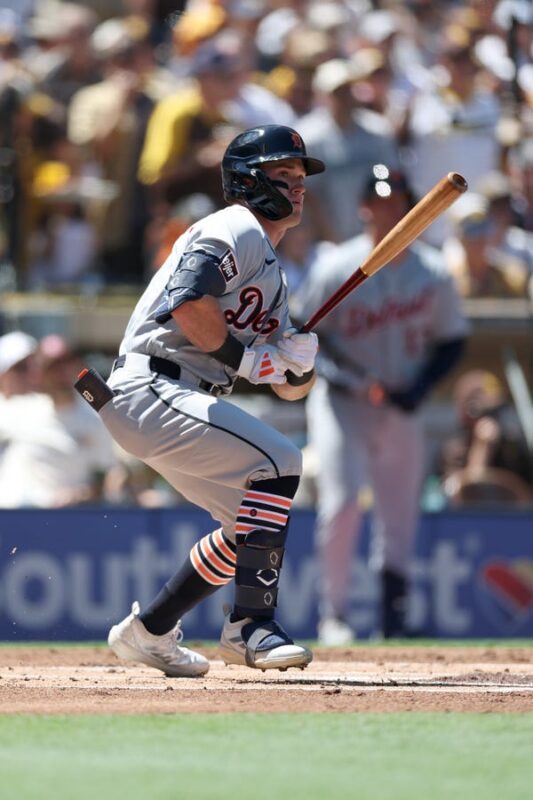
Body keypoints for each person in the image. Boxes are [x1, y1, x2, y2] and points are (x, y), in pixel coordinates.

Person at [77, 125, 322, 677]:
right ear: (249, 181)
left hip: (171, 398)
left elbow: (287, 385)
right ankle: (251, 625)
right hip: (152, 386)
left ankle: (149, 630)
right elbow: (188, 301)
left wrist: (300, 364)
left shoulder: (272, 273)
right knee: (281, 462)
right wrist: (250, 361)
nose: (298, 185)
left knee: (248, 525)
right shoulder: (235, 226)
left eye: (300, 176)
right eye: (284, 174)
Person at [293, 165, 468, 644]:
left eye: (396, 203)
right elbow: (305, 335)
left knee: (399, 512)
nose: (387, 211)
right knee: (344, 503)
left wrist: (419, 388)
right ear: (363, 208)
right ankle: (334, 616)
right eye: (379, 202)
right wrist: (355, 380)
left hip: (402, 404)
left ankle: (394, 619)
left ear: (411, 209)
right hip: (343, 405)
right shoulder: (336, 266)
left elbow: (452, 341)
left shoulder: (433, 271)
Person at [0, 334, 118, 508]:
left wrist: (81, 494)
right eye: (52, 366)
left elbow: (103, 472)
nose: (61, 373)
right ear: (40, 372)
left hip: (73, 514)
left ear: (76, 365)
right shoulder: (20, 408)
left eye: (66, 363)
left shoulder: (95, 418)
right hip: (21, 512)